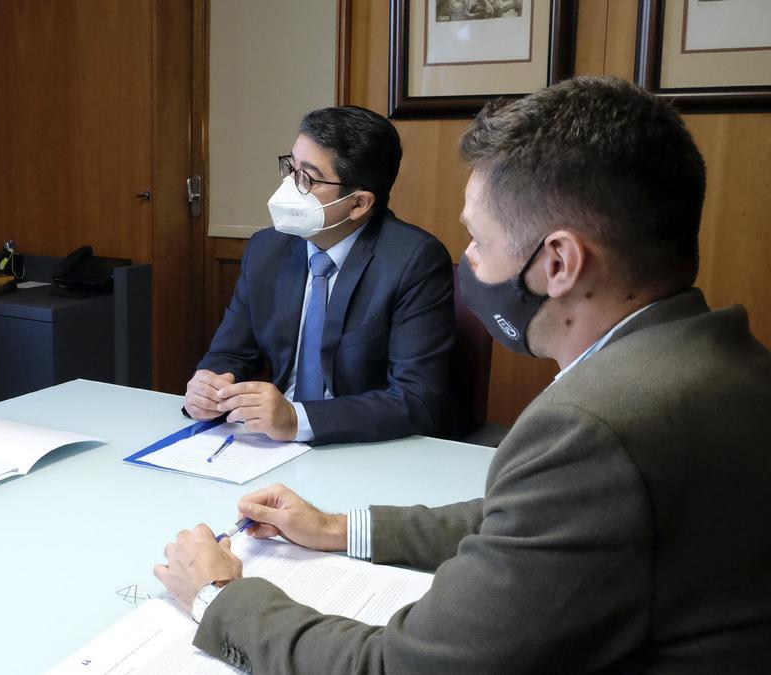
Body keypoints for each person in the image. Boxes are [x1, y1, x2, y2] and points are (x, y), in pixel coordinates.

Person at [156, 77, 771, 672]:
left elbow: (403, 667)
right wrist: (336, 527)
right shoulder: (718, 360)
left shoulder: (594, 430)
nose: (468, 260)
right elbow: (519, 520)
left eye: (478, 238)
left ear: (558, 262)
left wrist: (219, 598)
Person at [184, 106, 456, 444]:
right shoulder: (267, 249)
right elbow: (232, 352)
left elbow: (415, 399)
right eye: (290, 168)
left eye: (307, 178)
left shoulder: (414, 261)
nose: (289, 186)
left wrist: (298, 419)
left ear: (359, 204)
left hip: (364, 448)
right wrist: (209, 384)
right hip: (268, 447)